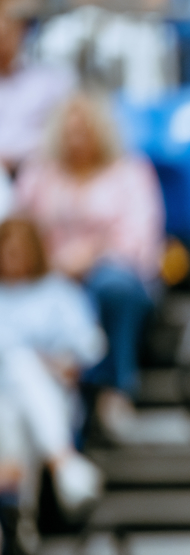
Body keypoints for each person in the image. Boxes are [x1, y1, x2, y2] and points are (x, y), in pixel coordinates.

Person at [15, 92, 164, 438]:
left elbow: (143, 237)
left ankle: (115, 387)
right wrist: (49, 262)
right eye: (69, 132)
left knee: (112, 287)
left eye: (83, 131)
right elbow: (20, 230)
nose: (76, 140)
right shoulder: (40, 174)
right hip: (49, 273)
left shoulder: (130, 170)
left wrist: (92, 254)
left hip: (112, 270)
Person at [0, 217, 104, 519]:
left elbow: (90, 348)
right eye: (6, 251)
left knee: (22, 370)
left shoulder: (59, 292)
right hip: (4, 400)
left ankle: (21, 523)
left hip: (54, 393)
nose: (11, 259)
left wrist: (58, 363)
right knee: (13, 395)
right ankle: (63, 463)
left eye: (18, 251)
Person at [0, 8, 75, 174]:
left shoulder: (52, 81)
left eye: (7, 34)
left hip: (39, 174)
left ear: (24, 31)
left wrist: (14, 157)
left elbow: (68, 132)